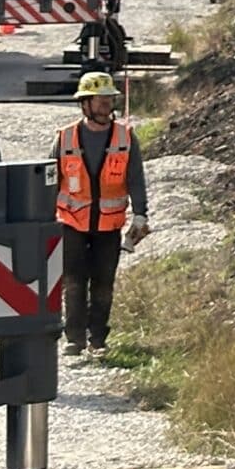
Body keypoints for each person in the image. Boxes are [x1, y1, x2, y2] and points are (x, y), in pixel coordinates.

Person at [50, 71, 148, 356]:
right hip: (71, 224)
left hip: (108, 226)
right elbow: (50, 180)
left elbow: (136, 179)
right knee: (74, 282)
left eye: (109, 99)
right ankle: (75, 338)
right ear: (85, 104)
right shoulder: (65, 137)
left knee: (103, 285)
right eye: (101, 100)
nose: (106, 105)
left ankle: (98, 340)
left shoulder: (126, 137)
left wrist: (140, 214)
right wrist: (43, 217)